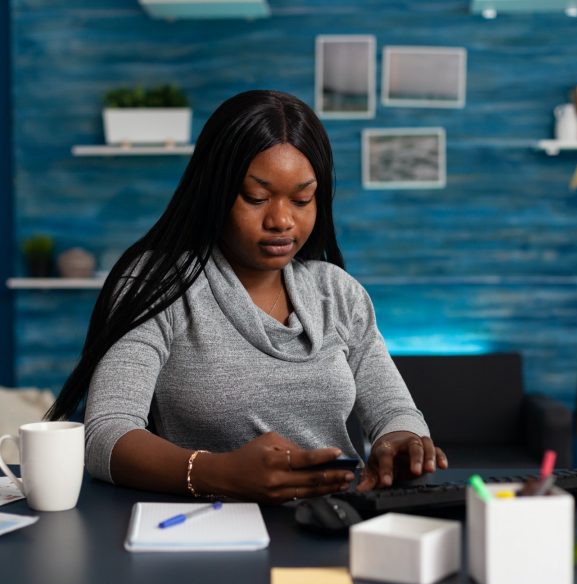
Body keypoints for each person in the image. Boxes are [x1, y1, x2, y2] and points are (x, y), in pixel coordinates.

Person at [48, 90, 447, 502]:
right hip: (206, 533)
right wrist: (219, 473)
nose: (281, 220)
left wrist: (401, 443)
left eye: (302, 199)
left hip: (335, 524)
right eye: (256, 198)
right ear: (214, 191)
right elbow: (105, 436)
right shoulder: (158, 284)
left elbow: (395, 413)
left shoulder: (338, 293)